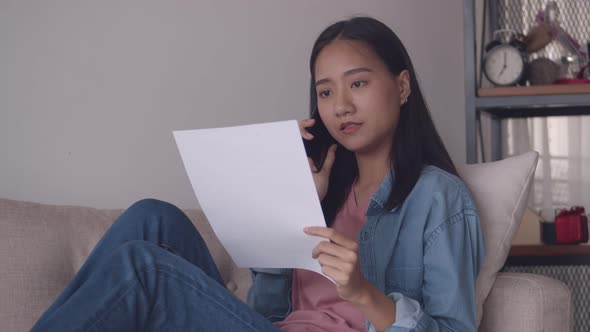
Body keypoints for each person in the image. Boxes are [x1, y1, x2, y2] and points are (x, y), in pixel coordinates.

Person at [31, 16, 485, 332]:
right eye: (326, 92)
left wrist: (364, 292)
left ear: (402, 86)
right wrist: (285, 201)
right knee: (152, 217)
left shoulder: (438, 199)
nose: (341, 105)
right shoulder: (327, 188)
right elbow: (266, 310)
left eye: (358, 83)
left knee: (142, 269)